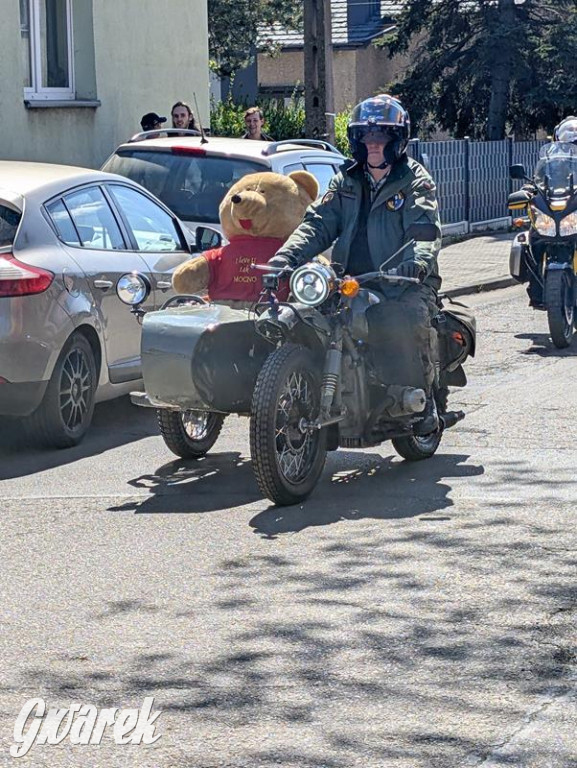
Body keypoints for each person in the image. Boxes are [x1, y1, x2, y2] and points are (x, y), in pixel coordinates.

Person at [268, 94, 442, 434]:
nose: (373, 144)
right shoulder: (345, 180)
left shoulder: (414, 181)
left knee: (399, 320)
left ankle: (421, 402)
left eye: (381, 137)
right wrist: (284, 259)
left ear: (397, 139)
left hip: (400, 281)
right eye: (366, 137)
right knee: (307, 317)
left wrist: (415, 264)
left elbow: (425, 230)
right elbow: (318, 224)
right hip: (349, 277)